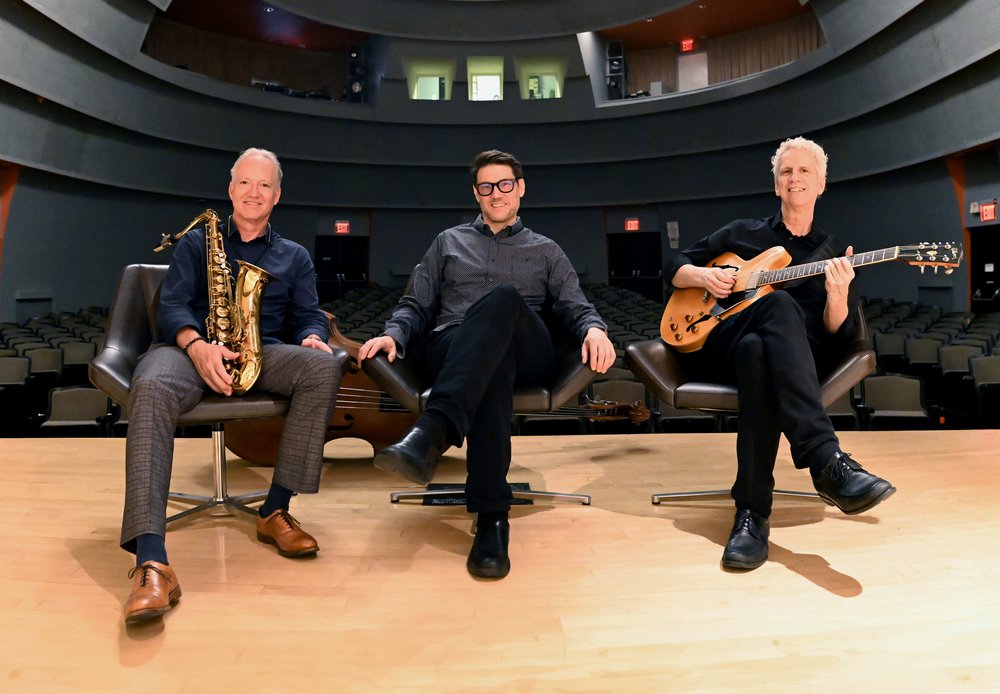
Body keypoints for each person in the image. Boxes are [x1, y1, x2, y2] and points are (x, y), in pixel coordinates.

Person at [358, 150, 616, 579]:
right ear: (475, 193)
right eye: (486, 186)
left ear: (520, 188)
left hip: (527, 348)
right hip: (454, 346)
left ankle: (432, 433)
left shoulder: (546, 250)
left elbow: (576, 305)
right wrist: (393, 334)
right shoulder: (447, 242)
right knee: (492, 369)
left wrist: (594, 329)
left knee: (502, 300)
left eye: (505, 184)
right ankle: (493, 518)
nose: (496, 194)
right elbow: (415, 305)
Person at [121, 148, 342, 623]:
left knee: (323, 367)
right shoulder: (197, 244)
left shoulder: (296, 256)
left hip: (263, 353)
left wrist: (312, 336)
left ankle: (275, 510)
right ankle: (151, 560)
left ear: (277, 195)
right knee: (151, 386)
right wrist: (198, 347)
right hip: (188, 351)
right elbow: (172, 306)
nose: (253, 192)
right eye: (245, 182)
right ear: (230, 190)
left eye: (264, 185)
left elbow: (308, 314)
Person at [665, 136, 896, 570]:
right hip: (720, 340)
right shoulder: (742, 233)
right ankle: (826, 459)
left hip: (791, 359)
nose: (795, 178)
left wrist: (837, 292)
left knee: (760, 351)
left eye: (804, 171)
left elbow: (837, 331)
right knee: (775, 306)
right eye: (787, 172)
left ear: (822, 184)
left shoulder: (836, 255)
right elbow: (672, 265)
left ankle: (751, 514)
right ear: (776, 185)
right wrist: (704, 276)